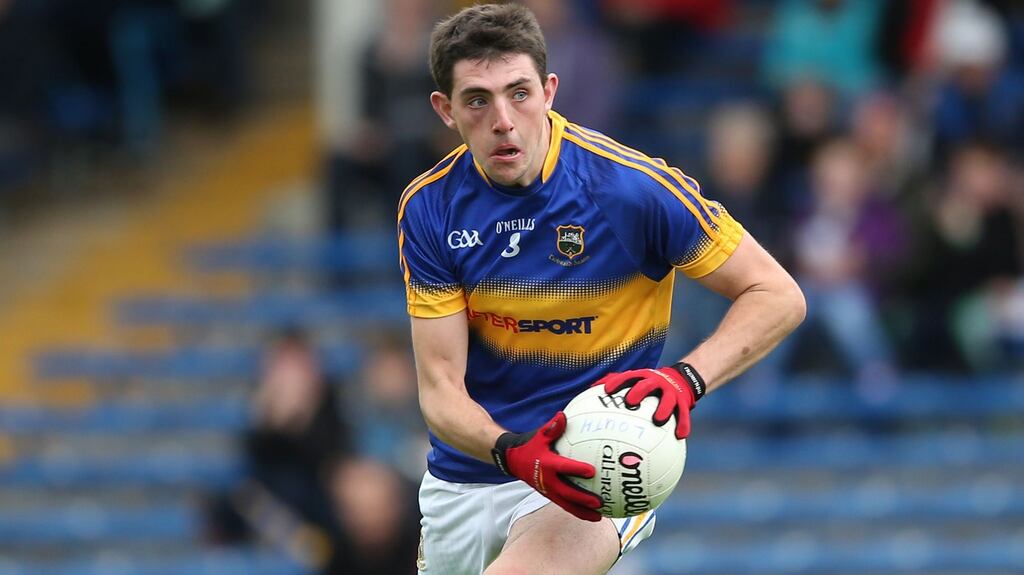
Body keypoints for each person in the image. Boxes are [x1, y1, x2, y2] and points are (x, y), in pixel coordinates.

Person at [397, 5, 806, 574]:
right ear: (445, 110)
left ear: (550, 90)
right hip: (468, 478)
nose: (503, 120)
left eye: (519, 93)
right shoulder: (429, 208)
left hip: (597, 465)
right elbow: (440, 390)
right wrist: (514, 451)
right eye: (477, 100)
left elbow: (777, 293)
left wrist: (685, 380)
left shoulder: (631, 190)